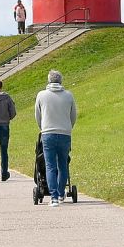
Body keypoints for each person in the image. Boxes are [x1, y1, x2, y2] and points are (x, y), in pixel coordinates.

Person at [34, 70, 77, 207]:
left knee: (50, 166)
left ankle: (53, 197)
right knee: (63, 165)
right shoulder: (69, 95)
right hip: (65, 133)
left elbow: (38, 115)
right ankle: (60, 193)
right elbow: (73, 116)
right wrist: (68, 127)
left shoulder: (41, 95)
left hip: (48, 133)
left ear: (49, 80)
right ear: (61, 80)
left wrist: (43, 127)